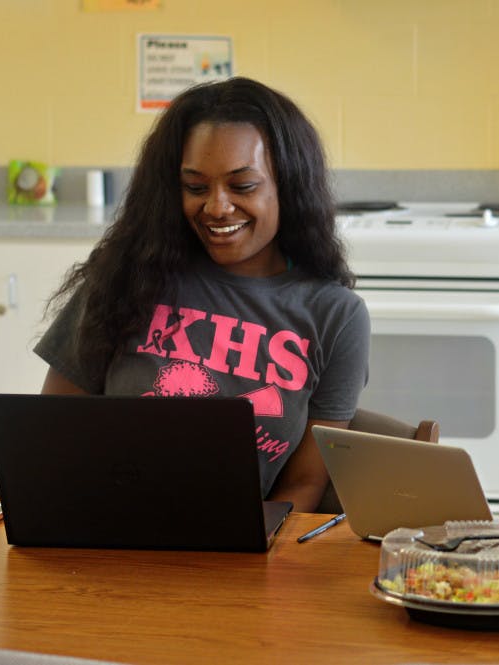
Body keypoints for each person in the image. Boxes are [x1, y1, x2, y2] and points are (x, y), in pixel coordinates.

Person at [35, 76, 369, 512]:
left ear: (289, 185)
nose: (216, 207)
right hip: (107, 538)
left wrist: (250, 558)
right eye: (195, 187)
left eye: (243, 186)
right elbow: (48, 436)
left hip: (242, 557)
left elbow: (305, 483)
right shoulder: (126, 276)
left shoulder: (335, 317)